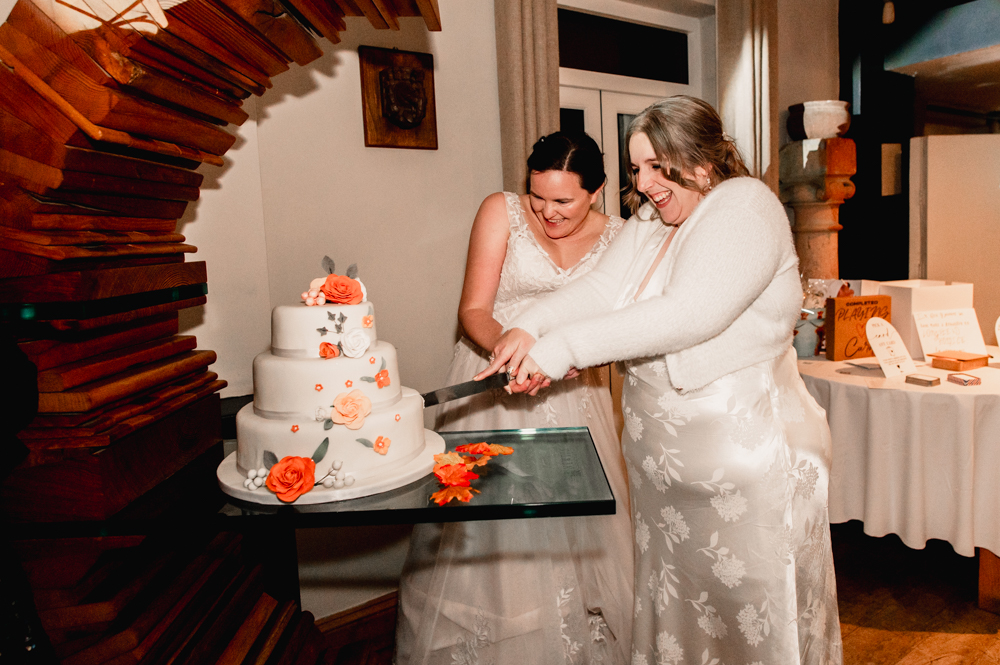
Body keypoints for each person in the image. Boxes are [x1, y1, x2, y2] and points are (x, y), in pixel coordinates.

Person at [482, 97, 843, 665]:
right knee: (679, 614)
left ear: (699, 163)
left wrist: (566, 349)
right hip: (667, 474)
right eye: (636, 168)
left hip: (743, 463)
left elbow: (688, 312)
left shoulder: (745, 206)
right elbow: (600, 291)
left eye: (656, 166)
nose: (643, 183)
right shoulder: (652, 222)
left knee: (746, 613)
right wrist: (527, 328)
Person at [395, 132, 634, 665]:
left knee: (577, 524)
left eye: (563, 201)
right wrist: (511, 352)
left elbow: (617, 327)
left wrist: (562, 359)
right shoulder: (499, 211)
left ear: (595, 192)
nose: (547, 213)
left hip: (576, 389)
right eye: (537, 196)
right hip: (490, 382)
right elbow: (474, 309)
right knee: (486, 534)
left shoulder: (622, 237)